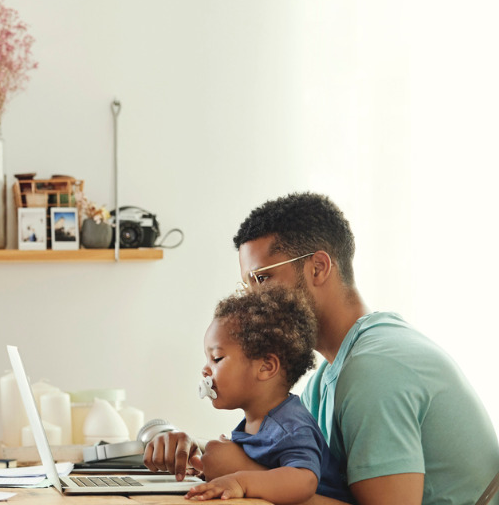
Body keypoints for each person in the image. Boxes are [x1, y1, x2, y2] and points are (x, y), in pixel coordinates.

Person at [145, 192, 499, 505]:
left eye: (263, 278)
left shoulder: (375, 370)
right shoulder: (327, 377)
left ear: (318, 267)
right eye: (247, 284)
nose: (252, 298)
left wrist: (243, 474)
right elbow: (299, 469)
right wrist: (197, 451)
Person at [185, 285, 354, 504]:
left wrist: (239, 482)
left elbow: (304, 481)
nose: (205, 370)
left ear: (266, 367)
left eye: (216, 358)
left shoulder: (290, 425)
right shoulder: (256, 421)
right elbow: (266, 471)